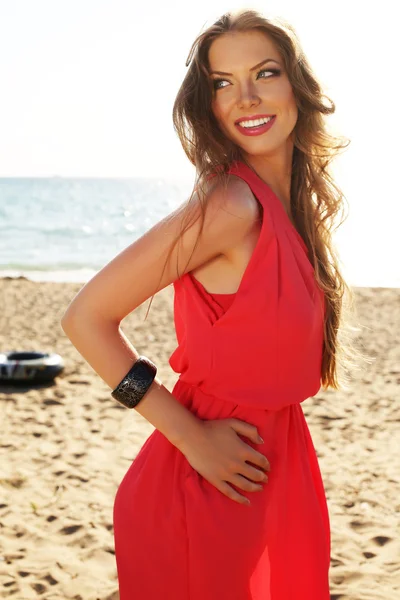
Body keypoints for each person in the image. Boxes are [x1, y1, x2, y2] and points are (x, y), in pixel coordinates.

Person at [61, 8, 353, 600]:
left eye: (264, 73)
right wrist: (192, 438)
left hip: (272, 470)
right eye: (223, 83)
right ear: (209, 103)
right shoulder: (230, 207)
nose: (245, 97)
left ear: (297, 86)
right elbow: (86, 316)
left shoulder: (291, 213)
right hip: (202, 482)